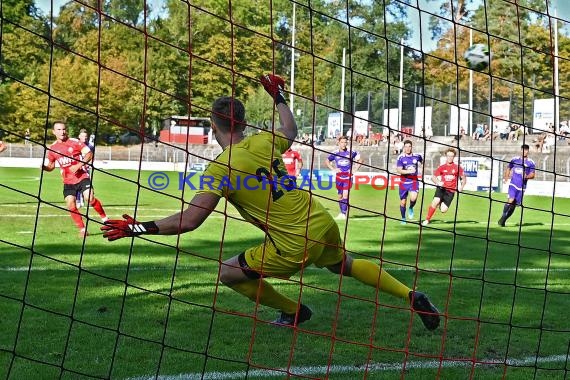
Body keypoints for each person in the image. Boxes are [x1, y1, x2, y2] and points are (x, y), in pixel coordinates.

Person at [101, 74, 440, 331]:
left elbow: (190, 221)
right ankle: (410, 295)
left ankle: (294, 312)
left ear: (212, 126)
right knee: (343, 265)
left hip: (293, 242)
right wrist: (278, 95)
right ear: (245, 122)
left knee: (229, 273)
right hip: (320, 221)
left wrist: (137, 227)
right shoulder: (265, 142)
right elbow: (290, 130)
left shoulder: (221, 168)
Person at [42, 121, 108, 236]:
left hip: (82, 177)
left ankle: (106, 220)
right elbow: (51, 166)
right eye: (59, 130)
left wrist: (78, 165)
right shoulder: (52, 148)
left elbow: (89, 154)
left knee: (90, 198)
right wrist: (45, 168)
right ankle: (82, 230)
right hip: (68, 181)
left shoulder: (75, 142)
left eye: (63, 129)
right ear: (54, 132)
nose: (62, 132)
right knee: (70, 204)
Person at [422, 148, 467, 226]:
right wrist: (438, 182)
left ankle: (440, 203)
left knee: (443, 210)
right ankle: (427, 219)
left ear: (454, 157)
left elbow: (463, 178)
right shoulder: (442, 167)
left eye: (452, 156)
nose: (450, 157)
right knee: (435, 201)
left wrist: (461, 187)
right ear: (446, 156)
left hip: (450, 192)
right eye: (448, 156)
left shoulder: (457, 168)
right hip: (441, 188)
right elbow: (433, 177)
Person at [325, 136, 363, 220]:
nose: (344, 144)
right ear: (338, 143)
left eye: (345, 142)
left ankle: (343, 214)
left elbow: (360, 160)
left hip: (348, 177)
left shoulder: (351, 152)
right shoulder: (335, 153)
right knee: (340, 196)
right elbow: (327, 161)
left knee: (345, 195)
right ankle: (342, 212)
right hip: (339, 177)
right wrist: (333, 169)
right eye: (342, 142)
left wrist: (355, 169)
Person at [498, 144, 535, 227]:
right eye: (523, 150)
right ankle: (503, 216)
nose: (524, 151)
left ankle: (504, 220)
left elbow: (533, 175)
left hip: (522, 187)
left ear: (528, 151)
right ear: (520, 150)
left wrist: (527, 176)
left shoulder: (531, 163)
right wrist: (506, 177)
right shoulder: (514, 160)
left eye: (526, 150)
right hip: (513, 184)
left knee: (513, 205)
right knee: (510, 200)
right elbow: (508, 168)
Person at [396, 140, 423, 225]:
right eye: (406, 147)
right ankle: (403, 218)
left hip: (414, 181)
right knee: (403, 202)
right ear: (404, 147)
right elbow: (399, 170)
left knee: (413, 198)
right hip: (404, 182)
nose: (408, 148)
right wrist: (409, 171)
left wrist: (421, 168)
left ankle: (411, 207)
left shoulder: (417, 156)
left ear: (412, 147)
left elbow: (422, 162)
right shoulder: (401, 157)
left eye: (409, 146)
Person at [76, 129, 94, 208]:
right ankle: (78, 200)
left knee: (87, 184)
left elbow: (91, 156)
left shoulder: (90, 146)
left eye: (86, 136)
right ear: (79, 136)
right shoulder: (75, 144)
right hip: (77, 167)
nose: (85, 138)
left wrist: (90, 164)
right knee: (76, 184)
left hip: (86, 168)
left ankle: (87, 199)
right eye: (83, 136)